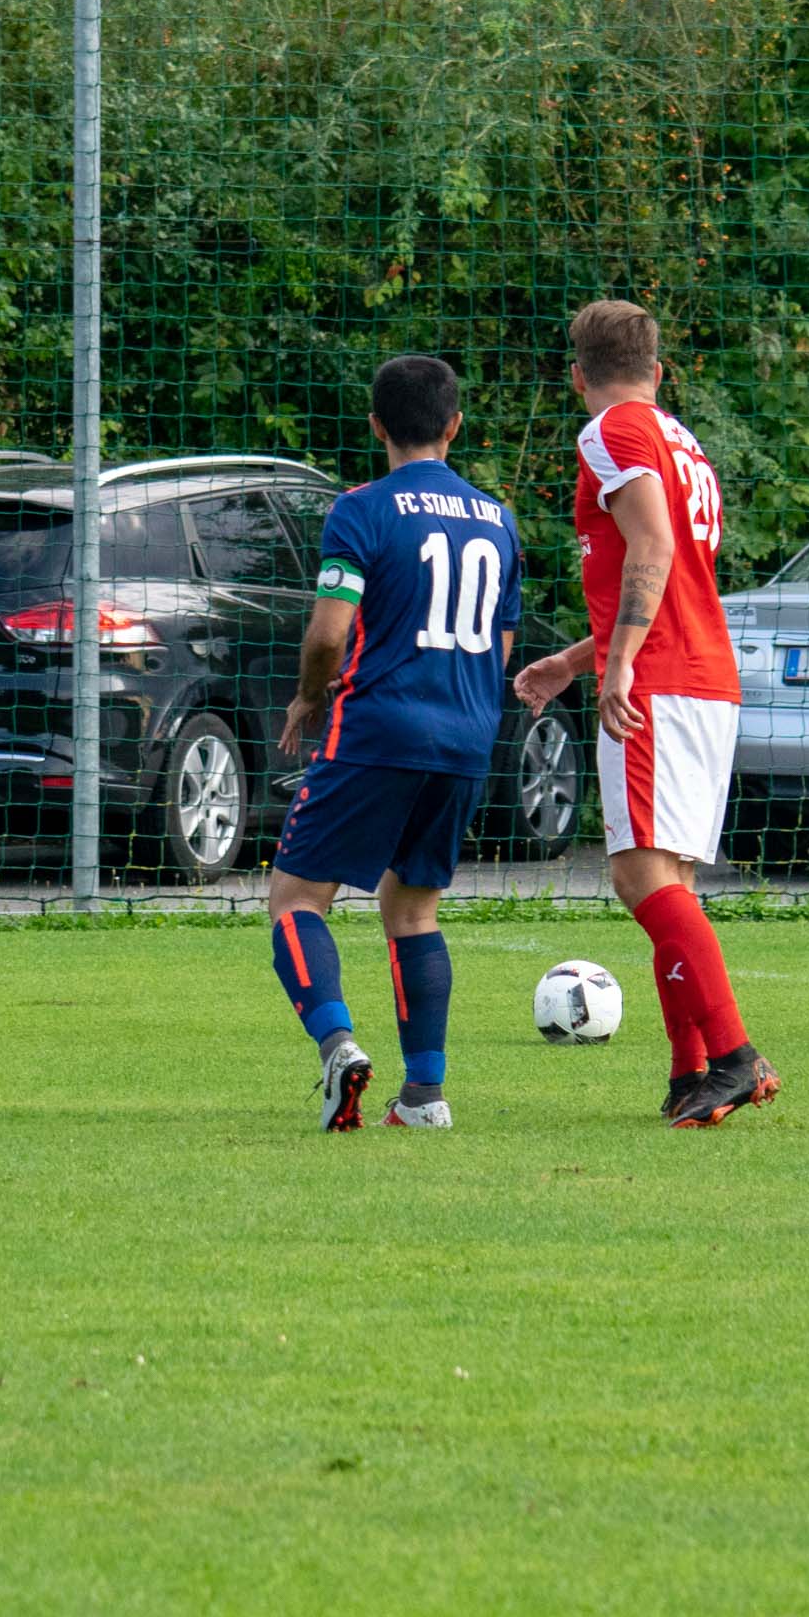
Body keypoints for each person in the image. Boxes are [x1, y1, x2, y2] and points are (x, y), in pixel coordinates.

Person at [512, 301, 779, 1126]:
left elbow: (653, 549)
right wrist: (573, 661)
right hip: (705, 676)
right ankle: (688, 1074)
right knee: (673, 883)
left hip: (658, 680)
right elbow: (678, 573)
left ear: (577, 376)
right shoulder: (683, 443)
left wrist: (620, 662)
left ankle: (734, 1056)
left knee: (637, 877)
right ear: (658, 371)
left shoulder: (609, 431)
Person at [268, 356, 522, 1131]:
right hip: (465, 737)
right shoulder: (498, 517)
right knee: (412, 910)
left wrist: (310, 695)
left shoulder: (361, 509)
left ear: (375, 423)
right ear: (454, 425)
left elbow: (329, 631)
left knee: (295, 897)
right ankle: (423, 1096)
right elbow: (500, 642)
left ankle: (336, 1043)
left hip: (377, 727)